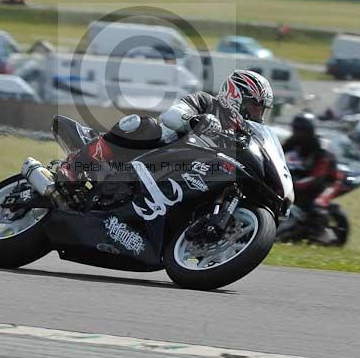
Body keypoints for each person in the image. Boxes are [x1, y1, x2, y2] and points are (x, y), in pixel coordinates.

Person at [60, 70, 274, 181]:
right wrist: (194, 121)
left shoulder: (243, 134)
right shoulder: (206, 102)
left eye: (261, 109)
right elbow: (171, 115)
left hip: (190, 174)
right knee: (144, 125)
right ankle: (75, 164)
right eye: (254, 107)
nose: (257, 114)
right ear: (234, 96)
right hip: (159, 152)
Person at [282, 112, 345, 244]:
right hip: (305, 176)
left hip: (329, 182)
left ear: (310, 130)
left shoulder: (322, 148)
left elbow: (318, 177)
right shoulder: (292, 141)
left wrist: (292, 184)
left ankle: (323, 233)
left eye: (301, 130)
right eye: (295, 129)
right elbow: (278, 154)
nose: (297, 133)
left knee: (317, 204)